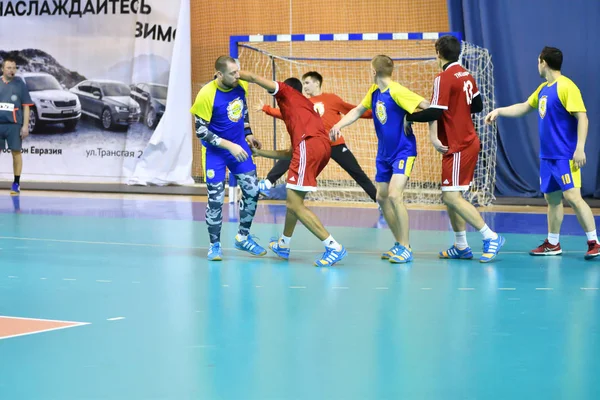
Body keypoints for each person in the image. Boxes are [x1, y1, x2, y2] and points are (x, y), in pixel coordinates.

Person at [485, 46, 599, 260]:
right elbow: (524, 107)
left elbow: (582, 117)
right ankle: (553, 243)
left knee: (573, 197)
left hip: (564, 155)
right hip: (547, 157)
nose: (536, 64)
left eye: (538, 61)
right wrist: (499, 111)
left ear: (543, 62)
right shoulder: (543, 89)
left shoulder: (567, 87)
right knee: (552, 199)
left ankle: (594, 241)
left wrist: (580, 148)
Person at [404, 35, 505, 263]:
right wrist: (458, 112)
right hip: (461, 141)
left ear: (437, 53)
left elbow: (435, 112)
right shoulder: (467, 74)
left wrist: (408, 117)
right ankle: (461, 246)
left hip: (460, 144)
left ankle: (491, 237)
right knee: (450, 195)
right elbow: (477, 106)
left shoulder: (444, 77)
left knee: (451, 197)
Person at [239, 70, 347, 267]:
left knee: (295, 205)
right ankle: (284, 244)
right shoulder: (303, 110)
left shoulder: (287, 92)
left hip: (310, 146)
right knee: (293, 201)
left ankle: (334, 247)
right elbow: (291, 154)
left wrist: (235, 73)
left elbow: (255, 78)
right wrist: (261, 153)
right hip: (320, 148)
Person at [330, 55, 429, 264]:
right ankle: (399, 243)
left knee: (394, 195)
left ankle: (406, 247)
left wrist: (411, 118)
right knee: (381, 197)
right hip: (383, 154)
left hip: (403, 151)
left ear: (374, 71)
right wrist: (339, 125)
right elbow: (357, 110)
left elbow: (428, 106)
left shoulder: (398, 91)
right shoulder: (374, 91)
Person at [256, 71, 377, 203]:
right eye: (303, 84)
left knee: (357, 173)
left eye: (307, 83)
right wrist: (266, 108)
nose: (305, 86)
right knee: (293, 154)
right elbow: (285, 113)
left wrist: (374, 113)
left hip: (335, 144)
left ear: (317, 83)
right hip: (314, 144)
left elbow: (352, 110)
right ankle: (267, 183)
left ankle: (380, 202)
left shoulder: (332, 99)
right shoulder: (302, 102)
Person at [189, 56, 266, 261]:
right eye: (233, 73)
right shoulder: (206, 94)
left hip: (239, 147)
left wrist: (248, 133)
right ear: (219, 74)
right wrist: (229, 145)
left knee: (252, 190)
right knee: (215, 199)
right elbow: (201, 131)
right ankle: (214, 245)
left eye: (238, 71)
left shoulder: (240, 86)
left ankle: (243, 237)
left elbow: (243, 111)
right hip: (216, 152)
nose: (238, 75)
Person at [0, 56, 33, 195]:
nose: (12, 70)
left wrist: (25, 126)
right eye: (9, 68)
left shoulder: (20, 84)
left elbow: (26, 106)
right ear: (3, 69)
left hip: (14, 125)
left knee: (16, 153)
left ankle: (16, 183)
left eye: (14, 68)